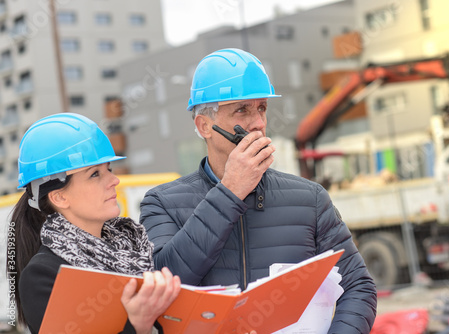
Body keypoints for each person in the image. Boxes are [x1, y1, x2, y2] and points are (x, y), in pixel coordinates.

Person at [140, 48, 377, 333]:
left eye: (261, 108)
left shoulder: (309, 199)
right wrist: (229, 193)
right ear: (204, 126)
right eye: (242, 110)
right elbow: (165, 282)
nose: (258, 123)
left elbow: (358, 287)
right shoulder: (161, 203)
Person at [11, 113, 181, 334]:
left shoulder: (134, 249)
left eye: (108, 169)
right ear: (59, 197)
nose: (114, 180)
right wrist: (138, 325)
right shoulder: (44, 275)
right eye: (94, 174)